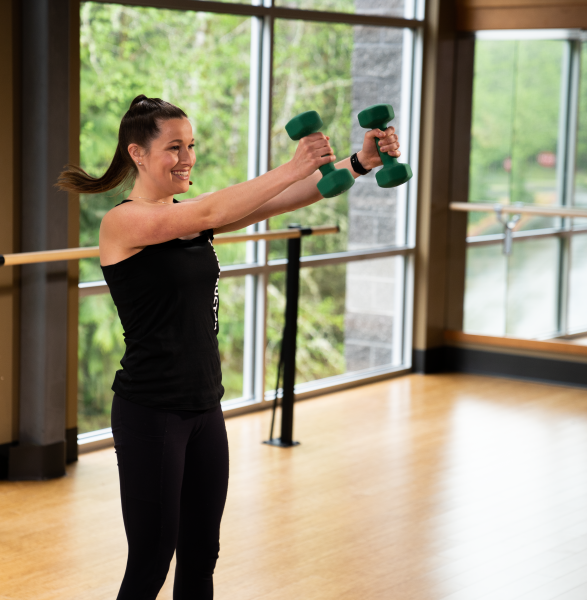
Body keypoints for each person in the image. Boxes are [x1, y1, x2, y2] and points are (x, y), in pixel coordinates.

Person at [57, 94, 401, 600]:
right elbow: (216, 208)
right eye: (174, 147)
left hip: (203, 407)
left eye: (191, 145)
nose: (187, 157)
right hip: (151, 412)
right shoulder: (124, 223)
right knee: (151, 562)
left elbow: (276, 201)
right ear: (138, 154)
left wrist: (358, 162)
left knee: (201, 559)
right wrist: (293, 164)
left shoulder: (188, 214)